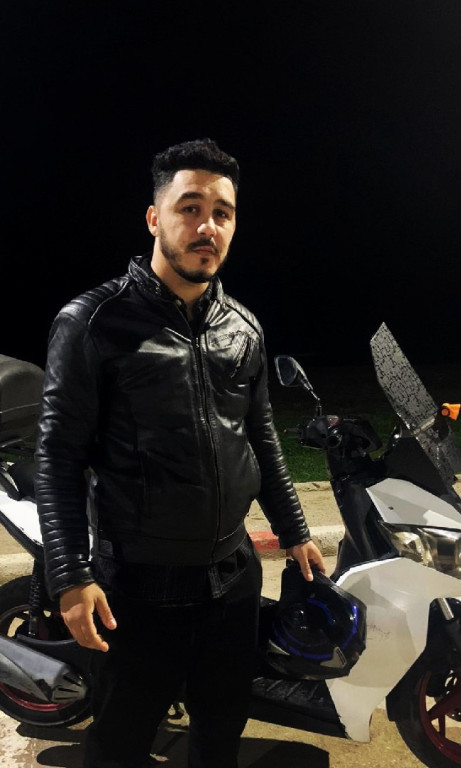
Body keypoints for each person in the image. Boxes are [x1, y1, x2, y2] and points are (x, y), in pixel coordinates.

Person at [35, 137, 325, 768]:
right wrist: (70, 576)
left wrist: (295, 529)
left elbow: (260, 434)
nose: (207, 226)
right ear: (154, 218)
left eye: (222, 213)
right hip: (138, 588)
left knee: (220, 737)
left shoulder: (243, 326)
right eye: (189, 208)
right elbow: (57, 455)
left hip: (234, 579)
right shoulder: (93, 322)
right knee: (119, 746)